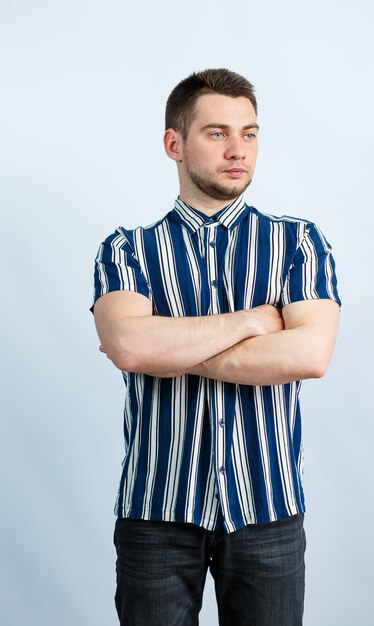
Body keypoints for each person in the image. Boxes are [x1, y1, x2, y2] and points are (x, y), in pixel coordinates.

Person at [91, 68, 341, 626]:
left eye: (249, 134)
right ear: (173, 143)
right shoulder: (127, 250)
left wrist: (168, 344)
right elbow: (130, 348)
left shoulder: (297, 242)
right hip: (156, 512)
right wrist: (254, 322)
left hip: (267, 511)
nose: (238, 150)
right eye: (217, 133)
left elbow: (309, 356)